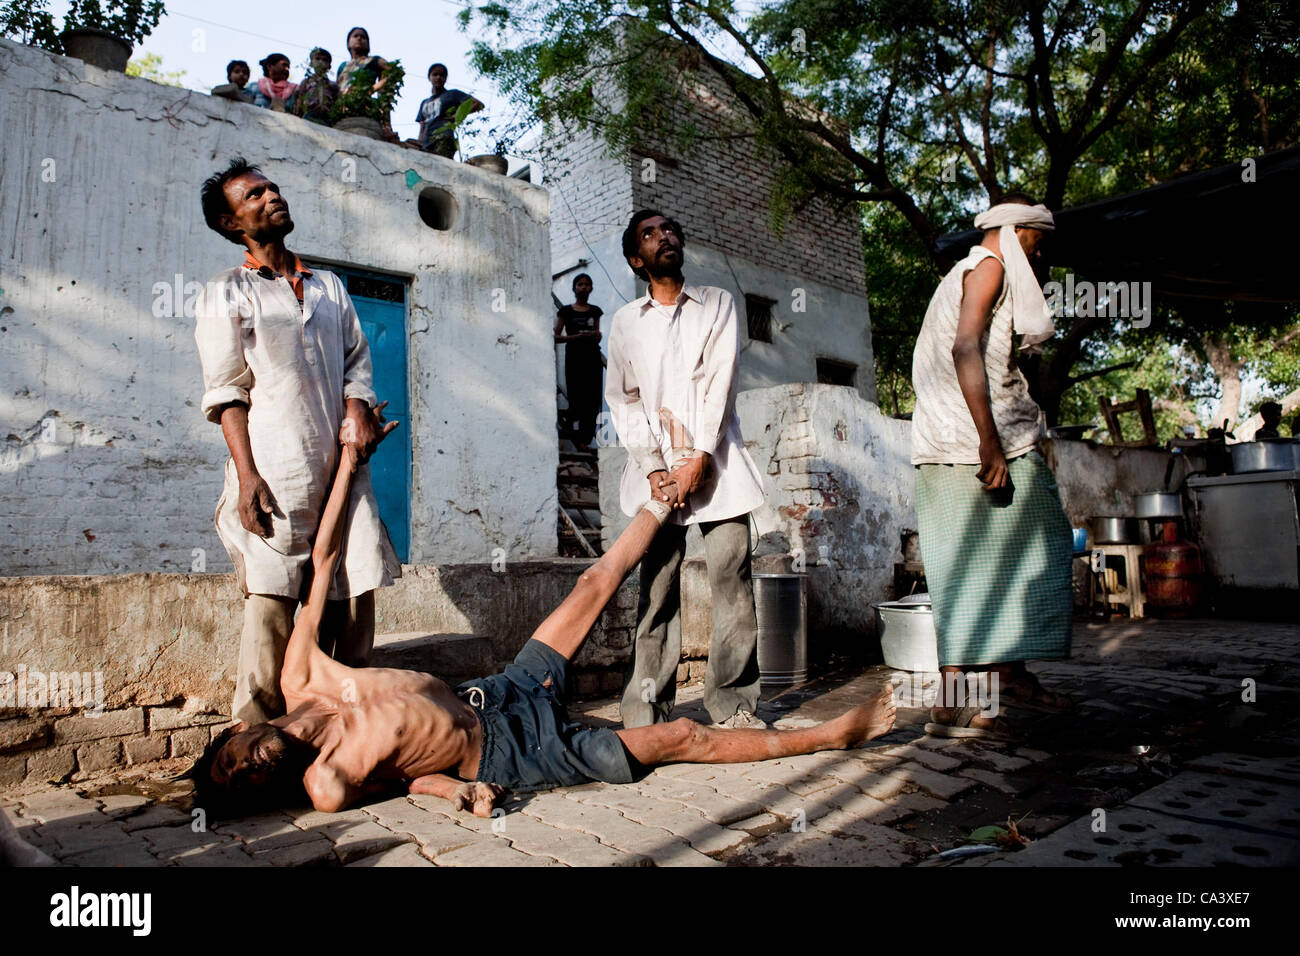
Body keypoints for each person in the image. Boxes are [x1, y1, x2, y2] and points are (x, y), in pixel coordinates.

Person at [190, 425, 897, 818]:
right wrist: (459, 790)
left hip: (498, 691)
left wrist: (350, 458)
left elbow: (325, 555)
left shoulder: (302, 675)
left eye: (232, 760)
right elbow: (404, 781)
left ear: (237, 731)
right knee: (679, 735)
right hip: (513, 754)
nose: (250, 768)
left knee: (594, 581)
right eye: (244, 785)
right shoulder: (325, 785)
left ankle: (664, 498)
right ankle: (832, 733)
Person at [195, 157, 400, 725]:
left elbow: (357, 361)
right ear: (232, 224)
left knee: (356, 590)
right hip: (275, 465)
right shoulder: (227, 292)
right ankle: (254, 742)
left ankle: (350, 729)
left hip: (342, 467)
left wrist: (357, 411)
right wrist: (248, 475)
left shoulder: (330, 286)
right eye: (253, 196)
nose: (271, 197)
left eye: (272, 189)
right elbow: (226, 392)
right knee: (273, 602)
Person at [910, 193, 1074, 740]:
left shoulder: (972, 267)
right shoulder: (990, 266)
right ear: (1016, 231)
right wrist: (989, 442)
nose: (1042, 249)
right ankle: (977, 689)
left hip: (948, 440)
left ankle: (991, 683)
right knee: (1046, 544)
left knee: (975, 563)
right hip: (974, 438)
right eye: (1038, 237)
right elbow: (964, 349)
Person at [605, 210, 769, 731]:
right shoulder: (625, 322)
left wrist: (698, 455)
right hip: (655, 475)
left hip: (717, 465)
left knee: (732, 585)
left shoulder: (717, 304)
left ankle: (734, 707)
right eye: (651, 235)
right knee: (657, 592)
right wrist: (656, 468)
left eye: (671, 229)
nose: (665, 237)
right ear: (637, 259)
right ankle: (646, 713)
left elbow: (720, 380)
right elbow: (624, 399)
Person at [554, 273, 604, 451]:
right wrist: (576, 337)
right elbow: (556, 336)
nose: (583, 287)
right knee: (576, 398)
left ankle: (585, 441)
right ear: (574, 288)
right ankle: (578, 440)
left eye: (587, 284)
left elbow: (597, 336)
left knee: (592, 400)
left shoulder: (595, 311)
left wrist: (596, 336)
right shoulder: (566, 311)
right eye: (580, 284)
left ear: (591, 288)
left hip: (592, 358)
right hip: (574, 359)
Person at [415, 63, 483, 158]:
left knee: (441, 165)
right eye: (435, 74)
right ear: (429, 77)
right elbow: (422, 125)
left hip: (444, 138)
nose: (438, 77)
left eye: (442, 75)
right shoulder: (424, 102)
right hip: (426, 143)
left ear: (446, 78)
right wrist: (419, 142)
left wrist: (457, 116)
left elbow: (478, 104)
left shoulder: (453, 94)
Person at [336, 27, 389, 97]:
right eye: (355, 36)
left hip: (364, 104)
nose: (359, 38)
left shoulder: (373, 60)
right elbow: (336, 90)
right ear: (348, 43)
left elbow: (396, 71)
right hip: (343, 105)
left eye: (363, 37)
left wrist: (373, 88)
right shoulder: (343, 66)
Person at [294, 48, 338, 125]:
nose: (320, 62)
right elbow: (300, 98)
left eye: (325, 60)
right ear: (311, 63)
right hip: (309, 114)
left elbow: (336, 101)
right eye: (317, 59)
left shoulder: (332, 85)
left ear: (329, 66)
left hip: (326, 117)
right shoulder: (306, 82)